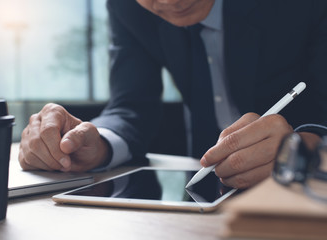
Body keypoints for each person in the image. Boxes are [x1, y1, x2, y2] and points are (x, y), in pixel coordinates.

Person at [18, 0, 327, 189]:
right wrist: (95, 142)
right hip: (204, 188)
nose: (170, 0)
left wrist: (307, 146)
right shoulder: (127, 7)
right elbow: (131, 104)